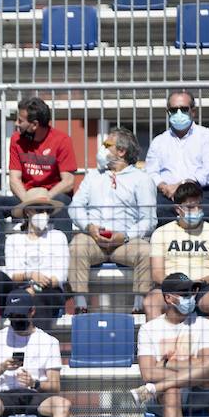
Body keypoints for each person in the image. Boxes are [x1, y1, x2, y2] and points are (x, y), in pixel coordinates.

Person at [132, 273, 209, 417]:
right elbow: (148, 373)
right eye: (183, 293)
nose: (189, 297)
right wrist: (193, 365)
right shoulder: (149, 329)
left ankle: (153, 389)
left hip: (197, 393)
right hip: (165, 397)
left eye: (192, 292)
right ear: (168, 298)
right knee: (172, 391)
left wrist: (164, 364)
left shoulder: (203, 324)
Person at [67, 129, 157, 313]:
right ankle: (81, 305)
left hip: (125, 243)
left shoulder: (142, 179)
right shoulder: (93, 176)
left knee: (146, 251)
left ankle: (139, 306)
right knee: (77, 245)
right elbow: (74, 207)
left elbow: (149, 219)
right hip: (93, 240)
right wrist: (89, 227)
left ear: (121, 151)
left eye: (107, 145)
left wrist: (124, 236)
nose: (102, 148)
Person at [0, 190, 71, 329]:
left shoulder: (58, 237)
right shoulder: (13, 239)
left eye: (48, 210)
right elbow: (12, 274)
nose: (44, 214)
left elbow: (60, 277)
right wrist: (30, 276)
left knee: (39, 298)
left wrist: (35, 287)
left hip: (48, 290)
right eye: (39, 209)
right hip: (19, 288)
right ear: (28, 211)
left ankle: (37, 343)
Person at [142, 182, 209, 337]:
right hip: (171, 287)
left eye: (199, 206)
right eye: (190, 207)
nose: (196, 211)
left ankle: (206, 349)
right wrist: (178, 286)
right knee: (151, 301)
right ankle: (159, 351)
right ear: (178, 208)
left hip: (203, 287)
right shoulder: (161, 233)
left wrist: (198, 283)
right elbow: (156, 274)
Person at [0, 97, 77, 223]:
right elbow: (14, 180)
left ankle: (62, 241)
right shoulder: (16, 140)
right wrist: (28, 203)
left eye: (20, 120)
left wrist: (44, 199)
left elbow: (68, 182)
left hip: (53, 198)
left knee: (63, 201)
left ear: (34, 125)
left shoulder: (62, 140)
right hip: (25, 197)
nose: (16, 124)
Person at [145, 89, 209, 222]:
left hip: (200, 193)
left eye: (184, 109)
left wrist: (181, 185)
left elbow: (208, 173)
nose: (179, 113)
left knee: (205, 218)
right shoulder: (159, 141)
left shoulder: (208, 136)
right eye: (174, 110)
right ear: (168, 112)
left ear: (193, 111)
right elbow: (151, 172)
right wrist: (164, 187)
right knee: (159, 214)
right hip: (167, 196)